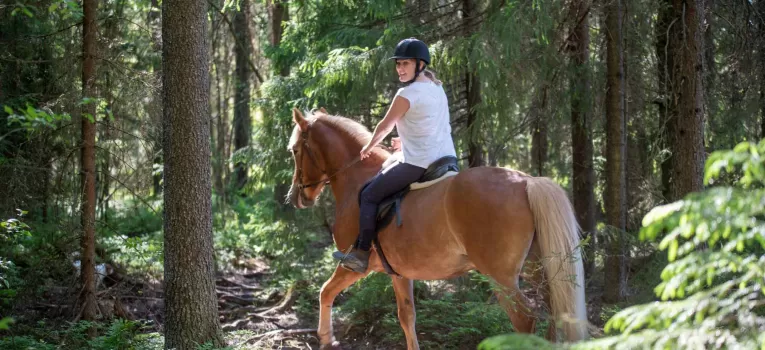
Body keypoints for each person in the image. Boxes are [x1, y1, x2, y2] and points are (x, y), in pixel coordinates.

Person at [333, 38, 457, 273]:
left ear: (420, 64)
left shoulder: (407, 93)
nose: (400, 69)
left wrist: (369, 146)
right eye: (398, 64)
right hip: (447, 158)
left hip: (419, 163)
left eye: (406, 64)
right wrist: (406, 140)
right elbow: (432, 123)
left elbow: (384, 126)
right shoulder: (436, 86)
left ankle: (360, 254)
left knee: (368, 194)